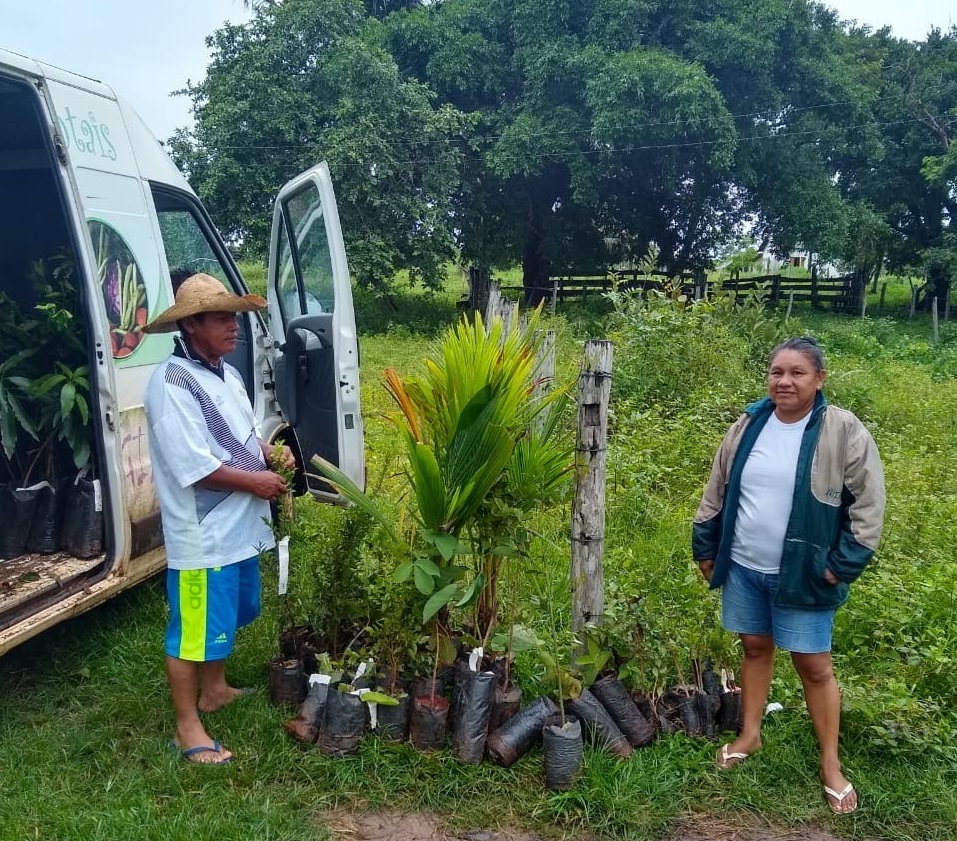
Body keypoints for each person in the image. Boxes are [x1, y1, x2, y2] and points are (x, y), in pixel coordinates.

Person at [692, 336, 885, 814]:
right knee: (755, 647)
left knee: (813, 667)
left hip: (805, 573)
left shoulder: (842, 430)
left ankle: (830, 764)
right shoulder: (749, 424)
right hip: (745, 566)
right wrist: (707, 544)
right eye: (778, 371)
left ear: (819, 379)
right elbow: (716, 488)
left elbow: (869, 504)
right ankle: (750, 735)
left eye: (798, 372)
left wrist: (841, 565)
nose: (785, 381)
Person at [143, 273, 294, 764]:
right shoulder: (170, 383)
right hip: (203, 534)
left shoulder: (226, 375)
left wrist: (269, 455)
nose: (235, 327)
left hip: (239, 529)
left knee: (226, 616)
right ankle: (189, 728)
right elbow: (197, 468)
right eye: (223, 318)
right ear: (191, 325)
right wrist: (259, 483)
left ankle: (215, 689)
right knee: (192, 631)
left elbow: (241, 437)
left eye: (235, 316)